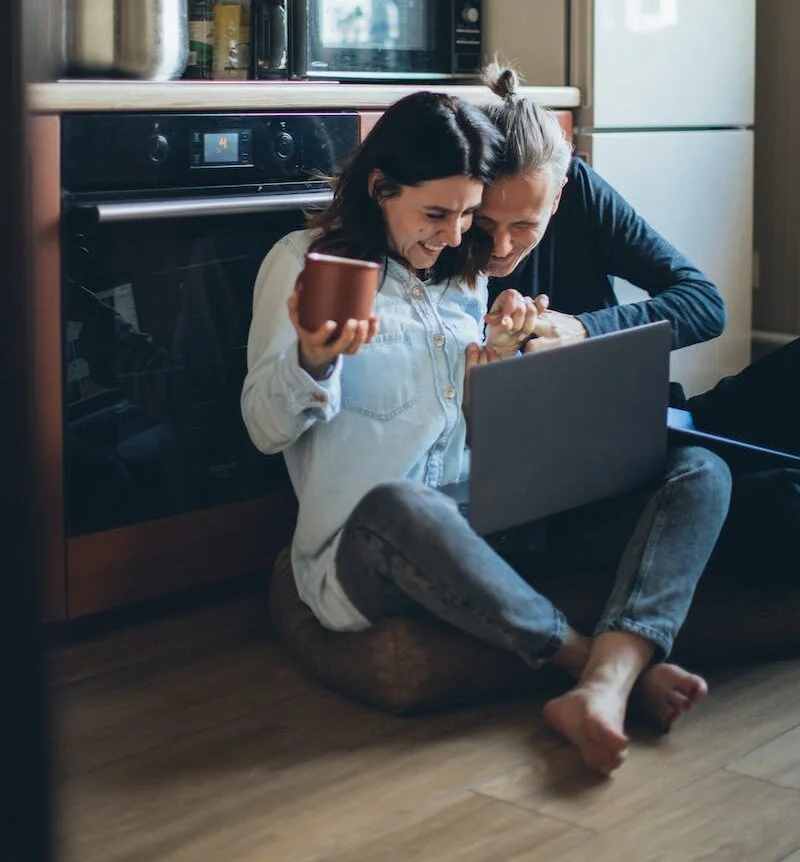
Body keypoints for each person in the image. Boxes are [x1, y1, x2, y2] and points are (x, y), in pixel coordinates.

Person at [241, 91, 732, 775]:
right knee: (400, 503)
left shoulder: (464, 282)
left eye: (466, 215)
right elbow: (265, 430)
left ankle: (605, 682)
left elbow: (461, 439)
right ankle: (593, 668)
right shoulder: (303, 264)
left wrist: (498, 377)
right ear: (382, 188)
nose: (455, 236)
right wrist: (313, 359)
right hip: (373, 546)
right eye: (437, 214)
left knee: (699, 470)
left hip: (485, 526)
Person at [476, 63, 799, 580]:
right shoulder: (441, 229)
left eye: (524, 226)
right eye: (484, 223)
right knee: (783, 499)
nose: (500, 247)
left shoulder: (578, 189)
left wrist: (582, 330)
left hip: (664, 422)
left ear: (557, 197)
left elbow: (703, 303)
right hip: (589, 469)